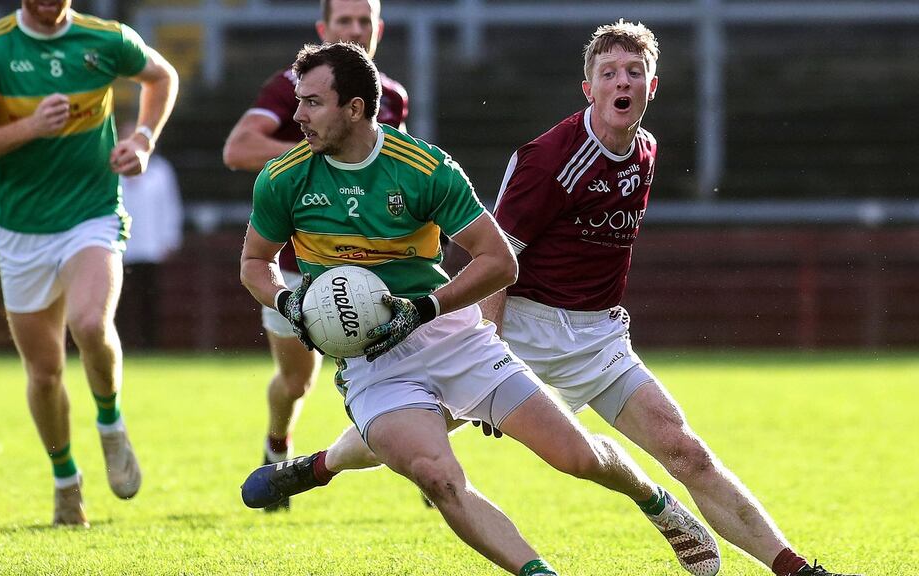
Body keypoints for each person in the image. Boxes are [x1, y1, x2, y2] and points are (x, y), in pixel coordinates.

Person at [244, 21, 860, 576]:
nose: (623, 82)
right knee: (421, 440)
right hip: (512, 324)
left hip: (594, 335)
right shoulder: (548, 160)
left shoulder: (642, 151)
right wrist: (486, 339)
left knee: (679, 450)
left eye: (634, 72)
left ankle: (790, 567)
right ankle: (317, 467)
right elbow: (500, 258)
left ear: (653, 85)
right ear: (586, 88)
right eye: (609, 73)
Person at [0, 0, 178, 527]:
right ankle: (66, 483)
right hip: (22, 230)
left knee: (90, 324)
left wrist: (141, 139)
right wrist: (29, 126)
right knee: (46, 371)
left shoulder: (105, 39)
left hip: (91, 214)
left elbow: (161, 78)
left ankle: (110, 424)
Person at [222, 0, 407, 512]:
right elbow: (237, 149)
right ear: (323, 29)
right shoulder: (290, 88)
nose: (354, 30)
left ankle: (428, 468)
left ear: (378, 29)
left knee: (411, 368)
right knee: (297, 381)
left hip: (374, 269)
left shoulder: (391, 97)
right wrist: (315, 150)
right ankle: (277, 443)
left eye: (363, 21)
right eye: (343, 21)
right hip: (297, 270)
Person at [118, 121, 184, 350]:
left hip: (150, 246)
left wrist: (170, 239)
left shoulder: (160, 170)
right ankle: (122, 344)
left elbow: (170, 206)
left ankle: (149, 345)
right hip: (120, 247)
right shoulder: (112, 171)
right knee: (120, 299)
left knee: (149, 298)